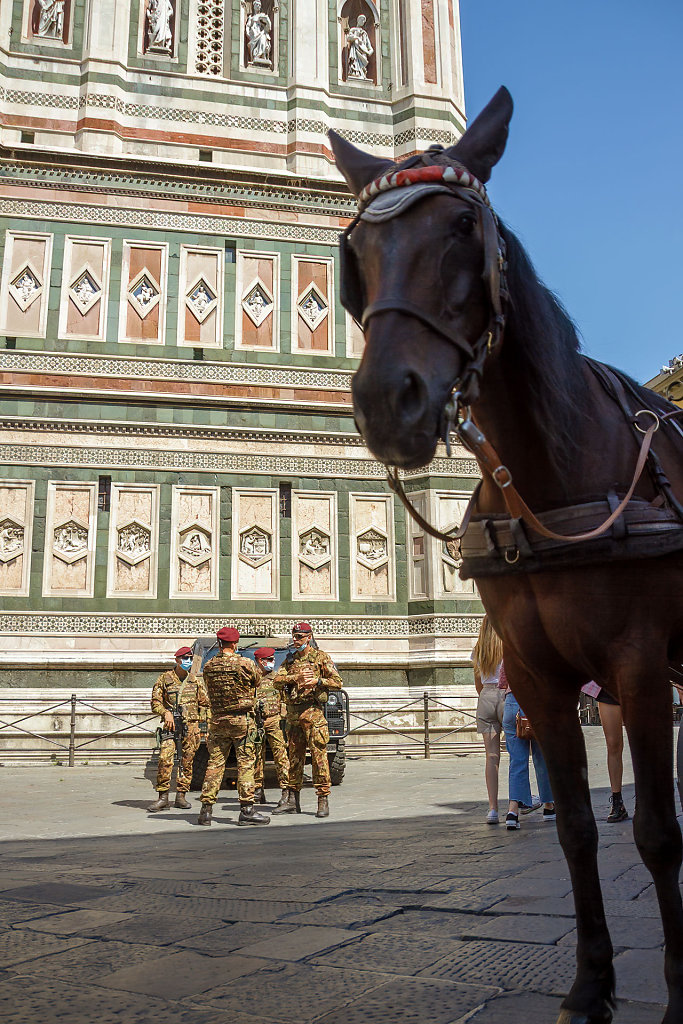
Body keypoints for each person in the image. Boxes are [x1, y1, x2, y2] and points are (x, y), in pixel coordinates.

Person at [197, 627, 270, 827]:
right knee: (245, 764)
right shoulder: (245, 663)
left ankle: (206, 811)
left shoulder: (209, 666)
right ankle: (247, 810)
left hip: (218, 721)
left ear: (219, 643)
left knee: (215, 764)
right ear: (235, 643)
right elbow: (257, 681)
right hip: (241, 721)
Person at [272, 622, 342, 818]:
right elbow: (277, 681)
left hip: (313, 713)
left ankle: (322, 799)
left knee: (319, 758)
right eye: (294, 637)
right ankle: (292, 801)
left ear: (309, 637)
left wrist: (317, 681)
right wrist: (296, 678)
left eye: (300, 637)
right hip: (293, 715)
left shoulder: (321, 658)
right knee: (294, 759)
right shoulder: (290, 660)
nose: (296, 640)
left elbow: (337, 682)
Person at [148, 646, 209, 812]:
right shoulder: (165, 679)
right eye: (185, 658)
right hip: (171, 727)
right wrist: (165, 712)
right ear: (177, 660)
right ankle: (163, 797)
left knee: (187, 762)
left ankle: (181, 796)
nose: (188, 661)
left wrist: (199, 720)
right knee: (165, 759)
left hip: (191, 729)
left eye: (190, 658)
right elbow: (155, 702)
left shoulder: (195, 681)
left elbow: (205, 705)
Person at [500, 662, 556, 830]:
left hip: (513, 702)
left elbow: (502, 680)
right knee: (542, 757)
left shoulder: (510, 648)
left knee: (517, 760)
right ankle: (549, 805)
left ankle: (513, 811)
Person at [472, 616, 505, 824]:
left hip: (485, 697)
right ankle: (520, 800)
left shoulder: (478, 651)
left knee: (491, 757)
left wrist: (486, 696)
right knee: (517, 754)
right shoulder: (506, 647)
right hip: (505, 696)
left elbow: (478, 683)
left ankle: (493, 809)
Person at [581, 681, 629, 822]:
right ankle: (617, 801)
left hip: (637, 685)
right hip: (608, 687)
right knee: (613, 744)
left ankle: (644, 799)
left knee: (640, 743)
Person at [253, 646, 290, 808]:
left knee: (281, 755)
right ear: (260, 661)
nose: (272, 662)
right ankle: (257, 789)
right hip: (256, 723)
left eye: (273, 659)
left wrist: (282, 714)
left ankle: (286, 790)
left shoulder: (277, 679)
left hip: (274, 721)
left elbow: (285, 699)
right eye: (269, 659)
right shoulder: (252, 679)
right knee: (256, 757)